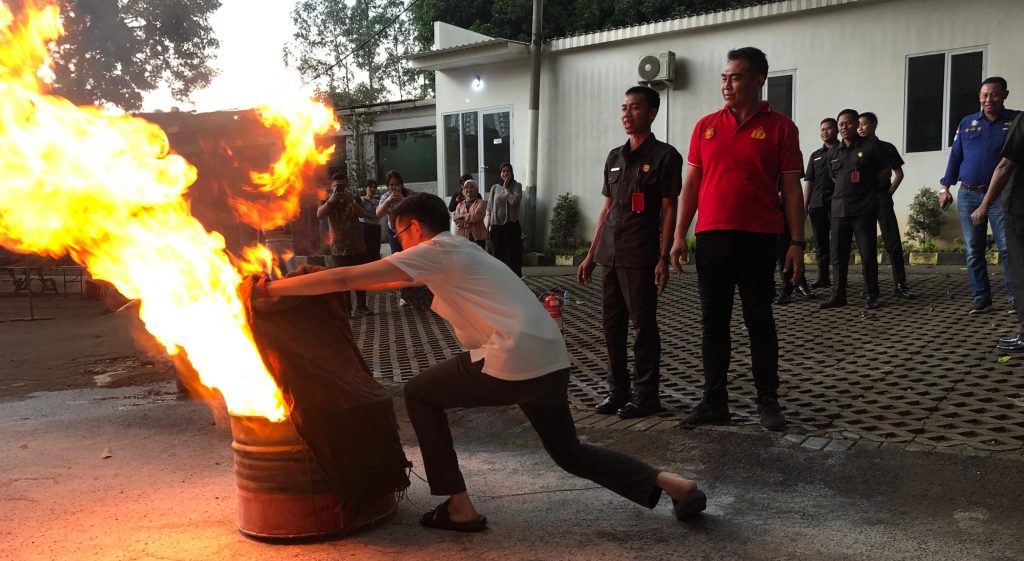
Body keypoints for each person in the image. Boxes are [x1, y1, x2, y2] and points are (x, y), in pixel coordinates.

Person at [257, 192, 708, 531]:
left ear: (414, 227)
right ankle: (674, 485)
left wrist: (271, 290)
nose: (398, 244)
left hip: (511, 358)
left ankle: (458, 506)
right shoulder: (461, 252)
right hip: (549, 358)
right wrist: (314, 281)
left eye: (398, 234)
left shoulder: (438, 252)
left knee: (419, 394)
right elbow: (374, 283)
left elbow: (351, 275)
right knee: (569, 454)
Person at [668, 47, 802, 432]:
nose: (727, 84)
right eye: (724, 77)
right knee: (714, 322)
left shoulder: (780, 127)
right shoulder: (705, 125)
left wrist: (797, 242)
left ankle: (767, 401)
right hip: (712, 237)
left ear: (759, 80)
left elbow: (792, 189)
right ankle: (714, 401)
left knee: (759, 318)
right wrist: (680, 235)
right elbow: (690, 186)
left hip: (760, 237)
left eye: (736, 77)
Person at [577, 85, 682, 419]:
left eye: (634, 107)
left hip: (640, 255)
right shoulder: (614, 157)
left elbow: (669, 210)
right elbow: (606, 210)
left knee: (643, 326)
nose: (626, 113)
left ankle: (646, 395)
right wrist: (591, 254)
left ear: (652, 113)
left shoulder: (665, 156)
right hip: (610, 253)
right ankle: (617, 390)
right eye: (623, 107)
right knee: (612, 326)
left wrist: (663, 256)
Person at [940, 77, 1019, 315]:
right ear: (979, 97)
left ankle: (1015, 297)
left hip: (1002, 196)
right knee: (974, 250)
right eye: (984, 95)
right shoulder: (967, 122)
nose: (988, 99)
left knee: (1008, 249)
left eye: (994, 94)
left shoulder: (1016, 121)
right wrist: (945, 187)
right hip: (968, 195)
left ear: (1005, 95)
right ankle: (981, 297)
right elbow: (956, 157)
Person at [819, 109, 890, 310]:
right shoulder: (834, 151)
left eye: (848, 123)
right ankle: (838, 295)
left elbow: (885, 171)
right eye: (840, 124)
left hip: (863, 210)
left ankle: (871, 295)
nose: (844, 127)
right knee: (838, 256)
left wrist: (869, 190)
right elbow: (834, 177)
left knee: (867, 254)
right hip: (839, 210)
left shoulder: (870, 147)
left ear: (856, 124)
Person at [971, 113, 1024, 350]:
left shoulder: (1021, 122)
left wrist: (984, 204)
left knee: (1020, 269)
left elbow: (1005, 165)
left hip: (1020, 209)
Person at [858, 112, 913, 299]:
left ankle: (900, 284)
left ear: (874, 124)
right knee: (867, 244)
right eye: (858, 124)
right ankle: (870, 288)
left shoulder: (887, 148)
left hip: (881, 198)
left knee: (893, 242)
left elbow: (899, 174)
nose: (860, 128)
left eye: (864, 124)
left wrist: (888, 193)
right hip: (862, 201)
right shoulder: (854, 148)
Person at [317, 171, 374, 314]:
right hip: (338, 247)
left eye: (342, 186)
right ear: (332, 186)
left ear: (347, 184)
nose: (340, 189)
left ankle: (362, 306)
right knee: (342, 280)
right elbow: (320, 215)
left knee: (359, 277)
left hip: (357, 244)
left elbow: (362, 214)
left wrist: (351, 201)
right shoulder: (327, 200)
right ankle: (346, 308)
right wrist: (332, 200)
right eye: (337, 186)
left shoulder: (354, 198)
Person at [804, 118, 839, 289]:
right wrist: (804, 205)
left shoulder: (843, 151)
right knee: (820, 242)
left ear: (836, 130)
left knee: (838, 242)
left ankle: (840, 280)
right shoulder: (815, 155)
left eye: (829, 128)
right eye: (822, 129)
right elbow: (808, 181)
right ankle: (823, 277)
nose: (825, 132)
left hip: (837, 203)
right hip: (817, 204)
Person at [486, 163, 523, 277]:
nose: (505, 173)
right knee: (498, 255)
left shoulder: (517, 186)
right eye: (503, 171)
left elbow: (514, 202)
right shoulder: (495, 188)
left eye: (508, 171)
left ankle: (515, 280)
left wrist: (506, 189)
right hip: (497, 227)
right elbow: (489, 208)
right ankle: (500, 279)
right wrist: (487, 227)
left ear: (511, 173)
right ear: (500, 173)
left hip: (511, 226)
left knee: (512, 256)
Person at [354, 179, 382, 316]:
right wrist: (372, 216)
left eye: (374, 187)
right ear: (365, 188)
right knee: (365, 252)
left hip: (375, 228)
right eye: (370, 187)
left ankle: (373, 276)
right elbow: (361, 214)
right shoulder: (360, 200)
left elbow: (380, 214)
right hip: (365, 227)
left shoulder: (378, 201)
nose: (372, 189)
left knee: (374, 251)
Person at [453, 179, 488, 249]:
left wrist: (462, 217)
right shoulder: (460, 205)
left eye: (471, 187)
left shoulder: (482, 202)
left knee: (479, 258)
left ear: (476, 190)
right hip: (463, 237)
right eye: (466, 187)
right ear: (463, 191)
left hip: (478, 237)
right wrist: (469, 218)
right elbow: (456, 221)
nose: (469, 189)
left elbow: (478, 216)